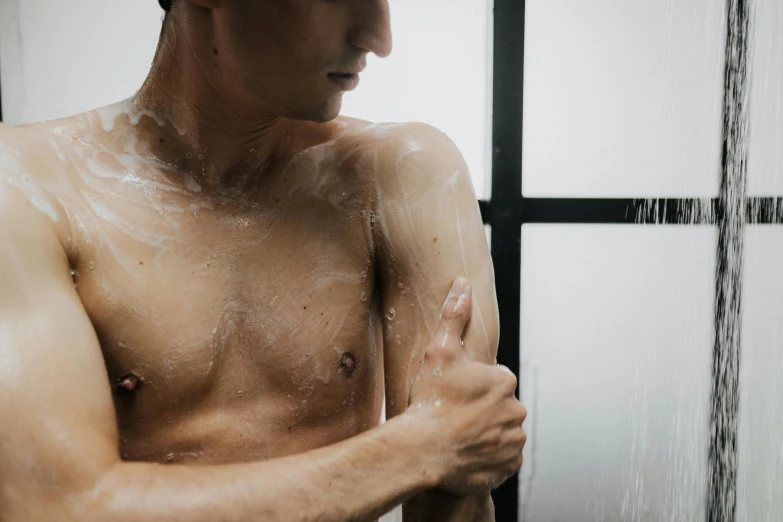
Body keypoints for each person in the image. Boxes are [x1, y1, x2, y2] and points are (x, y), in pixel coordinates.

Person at [0, 0, 527, 520]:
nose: (378, 38)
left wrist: (439, 449)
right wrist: (417, 450)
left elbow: (458, 484)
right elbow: (52, 504)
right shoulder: (26, 186)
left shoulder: (402, 174)